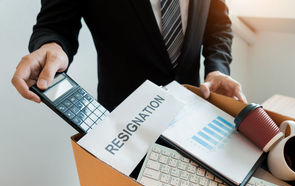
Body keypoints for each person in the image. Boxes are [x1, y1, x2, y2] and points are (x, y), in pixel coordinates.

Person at [11, 0, 246, 111]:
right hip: (123, 120)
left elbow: (218, 25)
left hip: (192, 109)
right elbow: (54, 25)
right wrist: (51, 46)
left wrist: (217, 68)